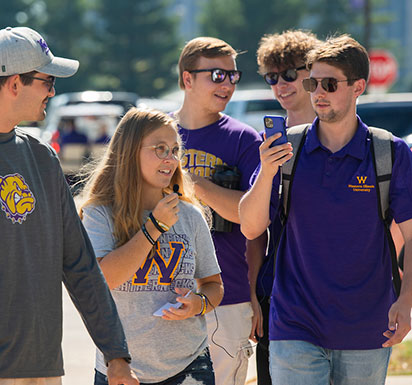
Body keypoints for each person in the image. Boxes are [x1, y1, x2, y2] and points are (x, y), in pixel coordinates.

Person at [0, 26, 138, 385]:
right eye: (47, 80)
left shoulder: (43, 158)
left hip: (41, 369)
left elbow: (79, 264)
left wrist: (115, 352)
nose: (52, 91)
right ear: (14, 83)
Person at [239, 34, 412, 385]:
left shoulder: (389, 153)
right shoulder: (286, 148)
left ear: (358, 86)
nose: (318, 92)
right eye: (312, 82)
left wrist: (406, 300)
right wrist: (268, 170)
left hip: (367, 325)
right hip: (294, 324)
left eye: (329, 84)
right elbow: (250, 227)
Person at [78, 107, 224, 384]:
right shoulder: (99, 214)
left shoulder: (190, 214)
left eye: (174, 150)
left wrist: (198, 304)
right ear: (130, 152)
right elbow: (103, 279)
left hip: (190, 365)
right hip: (121, 369)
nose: (170, 159)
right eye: (159, 149)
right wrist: (154, 227)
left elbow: (213, 285)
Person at [173, 37, 262, 385]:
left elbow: (253, 222)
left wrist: (195, 183)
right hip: (158, 292)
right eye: (216, 75)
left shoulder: (244, 139)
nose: (226, 84)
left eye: (232, 76)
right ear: (187, 79)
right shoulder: (153, 133)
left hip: (228, 296)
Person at [252, 29, 320, 385]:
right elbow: (253, 228)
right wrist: (251, 292)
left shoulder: (344, 138)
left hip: (338, 294)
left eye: (291, 73)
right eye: (272, 77)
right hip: (278, 294)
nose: (281, 84)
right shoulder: (267, 144)